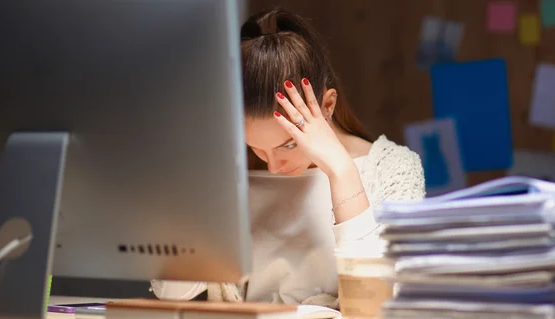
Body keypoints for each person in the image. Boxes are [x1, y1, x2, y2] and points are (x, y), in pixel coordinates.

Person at [150, 8, 425, 308]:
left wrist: (342, 172)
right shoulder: (230, 175)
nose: (273, 166)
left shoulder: (392, 168)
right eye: (256, 147)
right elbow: (170, 293)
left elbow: (381, 303)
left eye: (289, 144)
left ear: (328, 105)